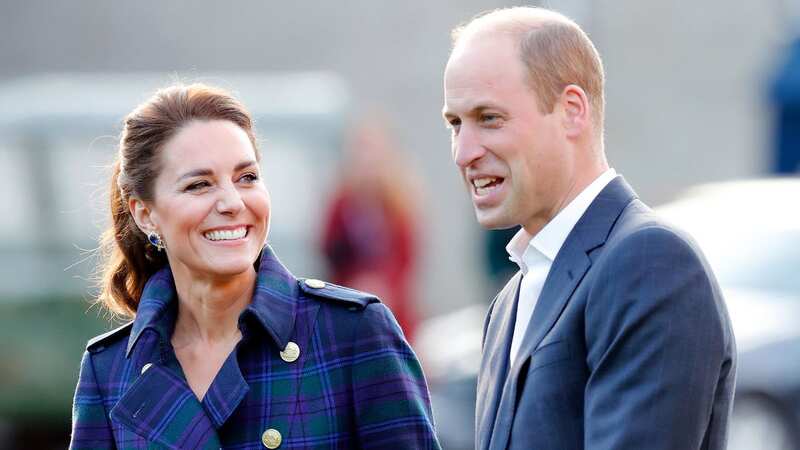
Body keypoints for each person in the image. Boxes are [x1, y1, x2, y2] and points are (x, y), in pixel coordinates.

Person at [70, 83, 441, 449]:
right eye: (199, 185)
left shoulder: (353, 332)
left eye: (247, 178)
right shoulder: (111, 371)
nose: (232, 202)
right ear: (145, 214)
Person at [441, 7, 736, 450]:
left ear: (571, 111)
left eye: (488, 118)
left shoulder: (651, 264)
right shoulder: (510, 300)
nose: (464, 152)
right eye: (455, 123)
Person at [321, 117, 420, 342]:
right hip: (348, 304)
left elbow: (407, 258)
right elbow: (329, 250)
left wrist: (382, 285)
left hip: (391, 308)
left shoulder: (400, 203)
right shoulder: (341, 202)